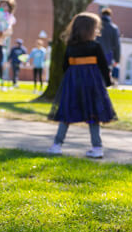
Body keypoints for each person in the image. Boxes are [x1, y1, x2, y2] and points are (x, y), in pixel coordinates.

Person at [47, 12, 116, 159]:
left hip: (73, 84)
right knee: (93, 115)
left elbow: (65, 66)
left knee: (66, 113)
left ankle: (57, 145)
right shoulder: (95, 46)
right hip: (92, 85)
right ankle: (97, 147)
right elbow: (104, 66)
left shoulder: (70, 47)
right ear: (91, 29)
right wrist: (108, 82)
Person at [96, 8, 121, 75]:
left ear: (101, 15)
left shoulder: (97, 26)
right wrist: (117, 59)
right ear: (110, 15)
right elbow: (117, 45)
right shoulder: (114, 28)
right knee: (105, 74)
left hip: (95, 53)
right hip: (108, 55)